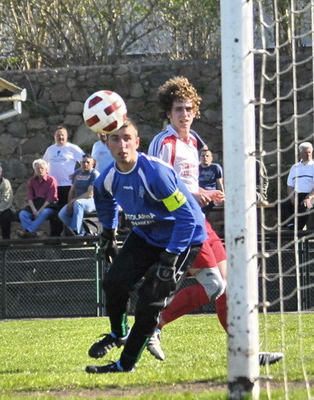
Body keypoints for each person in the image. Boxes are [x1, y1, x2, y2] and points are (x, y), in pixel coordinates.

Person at [147, 76, 282, 366]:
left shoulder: (193, 141)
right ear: (167, 113)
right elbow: (158, 184)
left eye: (188, 109)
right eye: (178, 109)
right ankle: (152, 326)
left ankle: (247, 352)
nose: (184, 114)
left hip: (198, 220)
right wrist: (196, 192)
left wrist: (204, 195)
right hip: (178, 223)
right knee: (214, 286)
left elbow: (186, 183)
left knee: (230, 284)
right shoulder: (164, 142)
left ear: (195, 111)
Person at [85, 119, 207, 373]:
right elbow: (104, 200)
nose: (122, 144)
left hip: (182, 237)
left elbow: (187, 218)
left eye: (127, 138)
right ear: (105, 143)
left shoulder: (155, 173)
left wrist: (170, 259)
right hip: (147, 234)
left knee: (150, 300)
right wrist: (108, 232)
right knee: (113, 282)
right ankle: (118, 333)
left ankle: (125, 364)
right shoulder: (107, 177)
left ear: (137, 142)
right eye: (115, 139)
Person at [43, 126, 83, 236]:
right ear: (54, 136)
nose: (60, 137)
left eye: (62, 135)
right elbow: (43, 165)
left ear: (66, 136)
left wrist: (78, 175)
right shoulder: (50, 149)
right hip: (53, 187)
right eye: (58, 135)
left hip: (68, 187)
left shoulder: (73, 148)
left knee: (68, 211)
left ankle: (71, 237)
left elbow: (86, 161)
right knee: (54, 213)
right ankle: (55, 238)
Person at [57, 154, 99, 236]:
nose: (85, 164)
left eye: (88, 162)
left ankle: (75, 232)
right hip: (77, 201)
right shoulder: (77, 172)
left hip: (92, 201)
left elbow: (90, 194)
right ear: (80, 163)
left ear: (93, 164)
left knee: (78, 203)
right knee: (62, 214)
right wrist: (69, 203)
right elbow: (72, 190)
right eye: (83, 162)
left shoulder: (94, 174)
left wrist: (73, 201)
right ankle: (83, 231)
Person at [16, 159, 59, 238]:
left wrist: (39, 211)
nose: (40, 170)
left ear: (46, 169)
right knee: (22, 214)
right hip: (35, 203)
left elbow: (50, 198)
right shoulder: (32, 181)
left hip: (48, 205)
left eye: (42, 168)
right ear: (34, 170)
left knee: (44, 212)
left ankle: (28, 231)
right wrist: (34, 210)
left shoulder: (51, 180)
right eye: (37, 168)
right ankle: (33, 234)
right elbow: (29, 196)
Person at [286, 142, 314, 230]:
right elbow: (290, 186)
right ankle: (290, 226)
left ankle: (297, 230)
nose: (308, 154)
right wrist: (292, 199)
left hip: (311, 195)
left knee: (305, 205)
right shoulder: (295, 167)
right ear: (300, 153)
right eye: (306, 152)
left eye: (310, 152)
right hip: (298, 195)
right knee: (282, 205)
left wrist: (309, 197)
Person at [198, 149, 224, 213]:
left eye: (207, 156)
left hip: (212, 195)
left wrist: (222, 196)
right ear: (200, 158)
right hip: (200, 195)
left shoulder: (216, 168)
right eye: (203, 156)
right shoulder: (196, 168)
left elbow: (220, 184)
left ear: (211, 158)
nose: (205, 158)